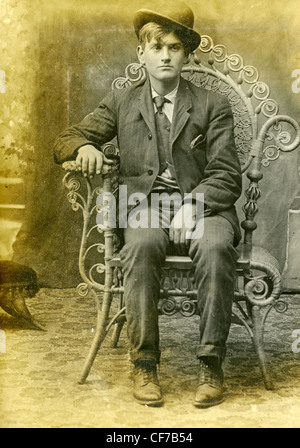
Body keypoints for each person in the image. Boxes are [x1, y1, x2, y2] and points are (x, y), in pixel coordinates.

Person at [54, 1, 242, 408]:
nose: (165, 56)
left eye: (174, 48)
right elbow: (66, 137)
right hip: (144, 206)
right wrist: (85, 145)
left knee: (214, 246)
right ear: (142, 53)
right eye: (156, 47)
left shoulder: (212, 104)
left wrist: (194, 202)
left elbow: (228, 175)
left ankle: (211, 364)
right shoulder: (123, 102)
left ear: (186, 54)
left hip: (205, 207)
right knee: (139, 245)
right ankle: (145, 364)